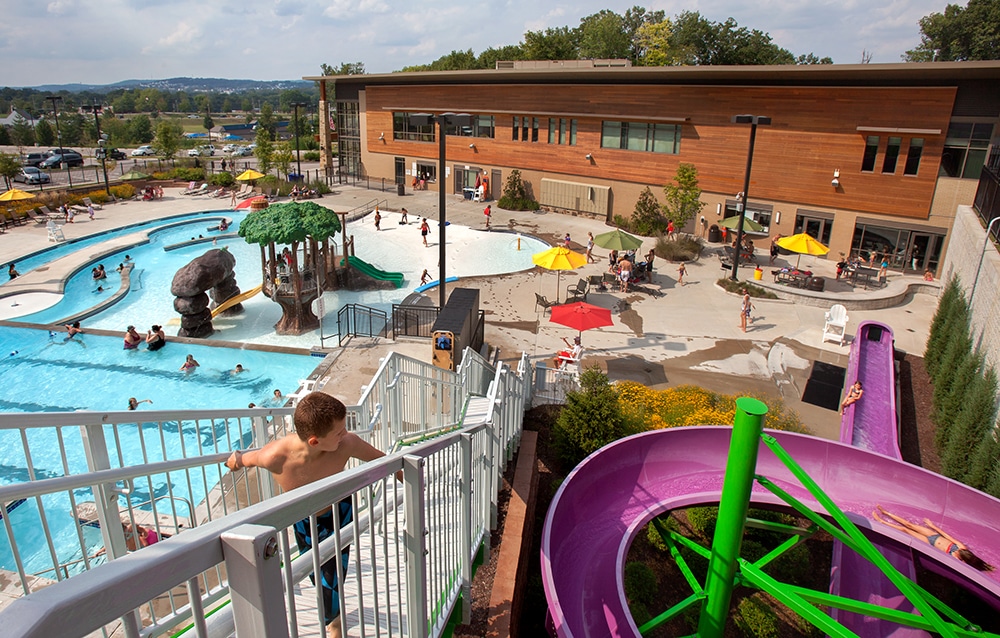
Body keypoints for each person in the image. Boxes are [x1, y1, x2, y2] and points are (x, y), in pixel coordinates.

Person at [225, 393, 391, 636]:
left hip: (340, 510)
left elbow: (383, 460)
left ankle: (334, 622)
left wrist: (411, 480)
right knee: (316, 570)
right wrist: (235, 460)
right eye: (339, 432)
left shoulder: (347, 445)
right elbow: (245, 459)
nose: (345, 434)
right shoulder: (275, 456)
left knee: (333, 572)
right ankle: (334, 614)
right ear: (315, 441)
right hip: (305, 520)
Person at [872, 505, 994, 571]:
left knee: (906, 530)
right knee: (910, 525)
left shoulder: (958, 560)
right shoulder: (961, 547)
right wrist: (932, 526)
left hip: (930, 543)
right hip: (934, 536)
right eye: (958, 551)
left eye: (958, 553)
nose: (957, 550)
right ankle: (886, 513)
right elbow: (947, 536)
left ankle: (882, 522)